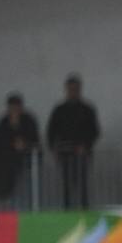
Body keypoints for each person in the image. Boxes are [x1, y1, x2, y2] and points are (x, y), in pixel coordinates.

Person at [45, 74, 100, 209]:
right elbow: (51, 131)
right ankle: (67, 210)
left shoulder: (87, 109)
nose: (73, 91)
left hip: (82, 153)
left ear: (80, 89)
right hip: (65, 153)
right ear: (66, 90)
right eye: (70, 89)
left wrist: (86, 145)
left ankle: (84, 210)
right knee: (66, 185)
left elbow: (94, 131)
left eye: (75, 89)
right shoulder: (59, 110)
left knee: (82, 184)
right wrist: (54, 148)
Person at [0, 94, 40, 202]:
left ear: (21, 107)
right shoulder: (4, 122)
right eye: (12, 107)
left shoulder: (29, 121)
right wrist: (12, 144)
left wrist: (25, 144)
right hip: (7, 160)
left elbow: (35, 141)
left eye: (16, 107)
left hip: (26, 159)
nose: (14, 110)